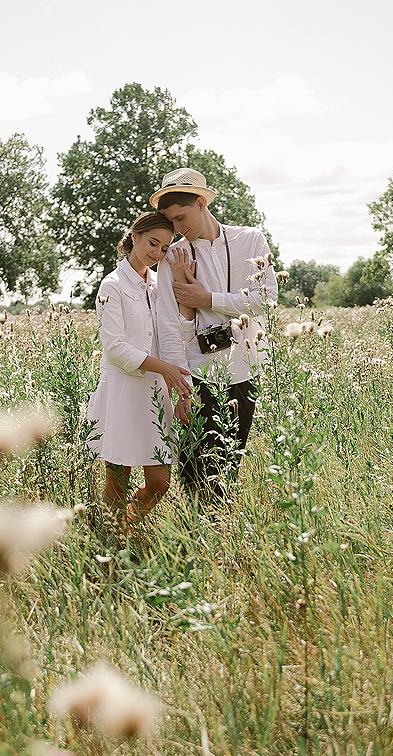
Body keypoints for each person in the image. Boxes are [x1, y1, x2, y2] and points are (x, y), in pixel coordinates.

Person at [150, 167, 279, 501]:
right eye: (171, 221)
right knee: (195, 469)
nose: (177, 229)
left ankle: (221, 540)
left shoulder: (250, 239)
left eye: (181, 218)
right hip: (198, 372)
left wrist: (207, 299)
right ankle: (194, 539)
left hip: (245, 368)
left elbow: (266, 300)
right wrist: (182, 389)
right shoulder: (172, 257)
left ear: (201, 203)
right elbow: (167, 326)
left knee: (229, 464)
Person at [86, 212, 192, 527]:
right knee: (118, 481)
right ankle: (113, 541)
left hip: (154, 396)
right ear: (134, 236)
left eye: (164, 248)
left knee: (160, 482)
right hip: (123, 392)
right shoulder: (112, 285)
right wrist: (164, 368)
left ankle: (126, 525)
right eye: (152, 243)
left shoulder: (159, 283)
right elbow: (115, 348)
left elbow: (178, 329)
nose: (157, 253)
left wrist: (184, 279)